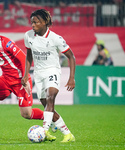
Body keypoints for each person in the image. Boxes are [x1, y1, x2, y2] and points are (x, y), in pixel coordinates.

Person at [21, 9, 76, 143]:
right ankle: (68, 134)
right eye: (32, 22)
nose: (33, 25)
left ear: (45, 22)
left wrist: (71, 78)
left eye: (36, 22)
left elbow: (71, 56)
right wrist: (26, 73)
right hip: (38, 74)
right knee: (47, 105)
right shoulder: (28, 36)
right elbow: (29, 55)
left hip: (52, 71)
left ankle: (44, 131)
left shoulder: (55, 38)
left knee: (50, 98)